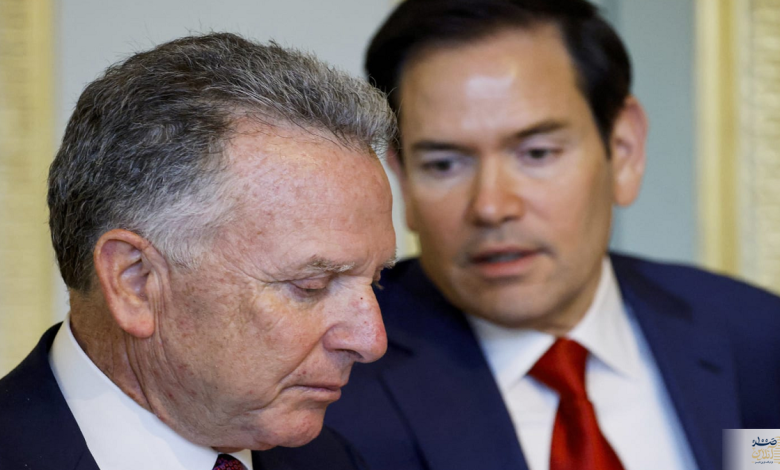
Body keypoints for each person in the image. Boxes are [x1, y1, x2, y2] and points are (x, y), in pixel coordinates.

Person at [324, 1, 780, 470]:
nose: (491, 207)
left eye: (537, 153)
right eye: (444, 164)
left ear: (623, 150)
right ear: (402, 178)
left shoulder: (758, 339)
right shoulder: (328, 388)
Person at [0, 32, 398, 470]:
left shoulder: (333, 460)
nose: (371, 341)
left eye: (376, 280)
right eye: (312, 285)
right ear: (135, 282)